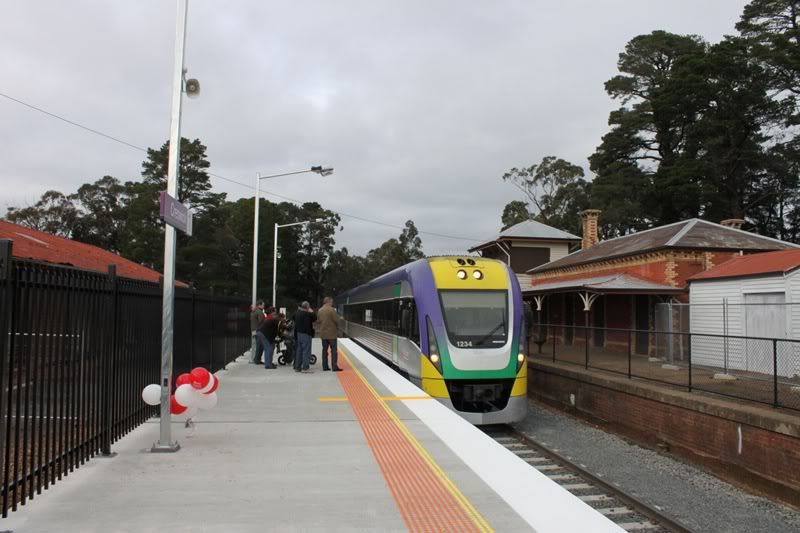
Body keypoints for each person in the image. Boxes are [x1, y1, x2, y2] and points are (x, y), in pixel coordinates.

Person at [317, 296, 342, 372]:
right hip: (331, 334)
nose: (332, 303)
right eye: (331, 302)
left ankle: (325, 366)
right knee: (334, 351)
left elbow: (318, 321)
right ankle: (334, 367)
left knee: (324, 351)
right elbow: (337, 320)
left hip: (323, 334)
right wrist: (340, 318)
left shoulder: (320, 310)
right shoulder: (331, 310)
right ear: (328, 302)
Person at [293, 301, 317, 373]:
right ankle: (305, 367)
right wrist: (311, 311)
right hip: (306, 334)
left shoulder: (297, 313)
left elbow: (293, 317)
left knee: (299, 350)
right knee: (306, 351)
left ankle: (297, 367)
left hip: (298, 334)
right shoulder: (307, 314)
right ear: (307, 307)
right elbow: (315, 318)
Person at [250, 300, 266, 364]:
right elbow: (261, 321)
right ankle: (257, 359)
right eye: (263, 305)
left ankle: (256, 359)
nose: (263, 306)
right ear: (259, 305)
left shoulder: (254, 311)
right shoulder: (259, 312)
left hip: (254, 329)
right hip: (258, 330)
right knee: (259, 346)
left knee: (256, 345)